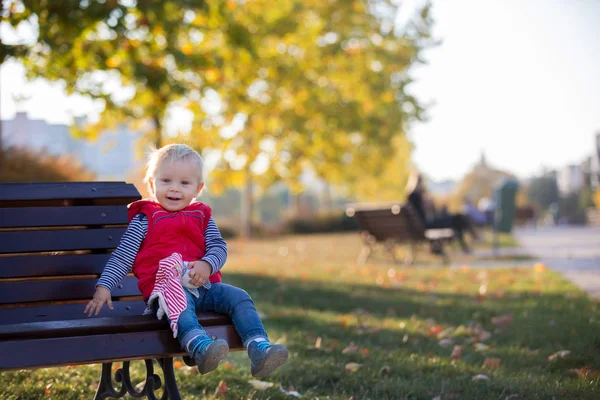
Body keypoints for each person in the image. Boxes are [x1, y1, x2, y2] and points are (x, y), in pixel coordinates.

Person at [84, 144, 288, 377]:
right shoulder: (145, 219)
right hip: (166, 292)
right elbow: (123, 256)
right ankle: (200, 347)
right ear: (151, 184)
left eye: (184, 183)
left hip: (204, 287)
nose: (174, 189)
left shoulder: (201, 216)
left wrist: (207, 264)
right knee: (180, 306)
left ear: (197, 189)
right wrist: (104, 285)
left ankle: (259, 347)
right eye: (166, 181)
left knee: (239, 296)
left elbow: (218, 247)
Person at [405, 173, 478, 253]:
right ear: (418, 183)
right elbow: (428, 210)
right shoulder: (417, 196)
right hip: (427, 225)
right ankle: (471, 238)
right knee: (458, 219)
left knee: (457, 219)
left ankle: (468, 241)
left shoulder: (409, 196)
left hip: (423, 225)